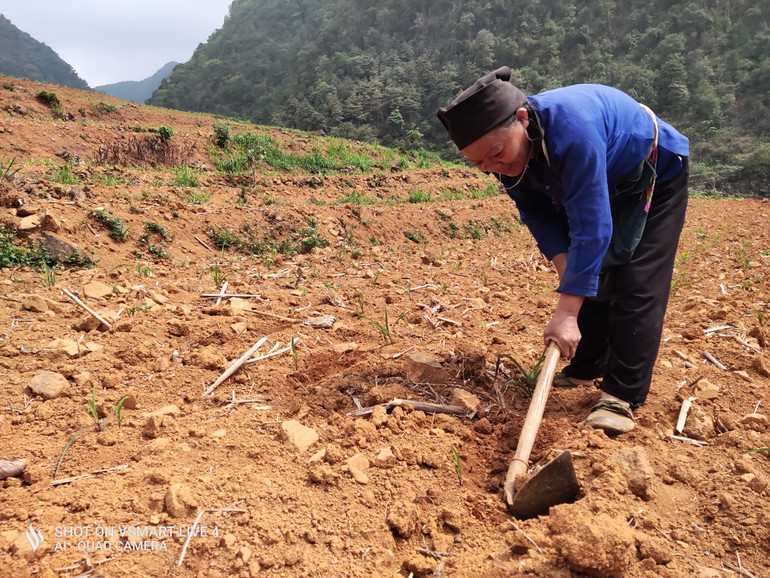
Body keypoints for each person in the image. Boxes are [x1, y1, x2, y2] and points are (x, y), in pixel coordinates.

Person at [437, 67, 689, 435]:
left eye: (496, 154)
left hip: (653, 172)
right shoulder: (507, 159)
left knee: (636, 281)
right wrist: (565, 264)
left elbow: (593, 226)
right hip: (599, 180)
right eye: (479, 163)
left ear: (522, 119)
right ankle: (585, 368)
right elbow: (537, 214)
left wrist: (567, 313)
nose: (493, 169)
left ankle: (620, 396)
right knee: (587, 271)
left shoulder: (573, 130)